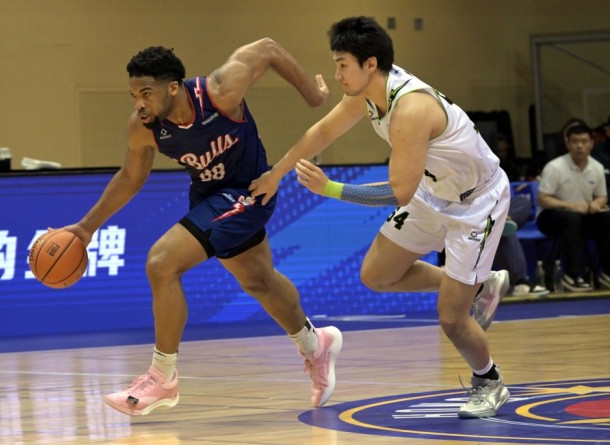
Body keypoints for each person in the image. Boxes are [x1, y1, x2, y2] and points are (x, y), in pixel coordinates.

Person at [62, 39, 343, 416]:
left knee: (161, 262)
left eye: (146, 93)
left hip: (251, 192)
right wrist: (86, 228)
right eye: (133, 95)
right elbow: (130, 177)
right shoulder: (144, 128)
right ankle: (316, 345)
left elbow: (267, 49)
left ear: (172, 88)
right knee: (258, 280)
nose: (139, 104)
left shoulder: (219, 92)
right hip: (209, 197)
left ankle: (162, 378)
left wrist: (314, 95)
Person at [249, 16, 511, 419]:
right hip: (433, 191)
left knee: (452, 318)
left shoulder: (411, 108)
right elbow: (321, 133)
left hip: (476, 204)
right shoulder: (369, 93)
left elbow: (399, 192)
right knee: (377, 274)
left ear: (370, 64)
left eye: (342, 65)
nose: (336, 74)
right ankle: (479, 284)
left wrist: (331, 189)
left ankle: (489, 381)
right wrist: (275, 174)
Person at [537, 121, 610, 291]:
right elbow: (543, 199)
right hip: (551, 218)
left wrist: (596, 203)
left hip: (582, 218)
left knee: (607, 217)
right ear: (567, 144)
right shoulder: (554, 167)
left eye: (584, 141)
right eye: (575, 141)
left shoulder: (597, 167)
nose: (580, 146)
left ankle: (607, 273)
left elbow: (602, 197)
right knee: (572, 218)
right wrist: (572, 206)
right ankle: (573, 275)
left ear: (591, 143)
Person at [493, 135, 549, 297]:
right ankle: (521, 281)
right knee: (506, 231)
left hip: (501, 213)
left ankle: (504, 221)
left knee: (523, 202)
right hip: (481, 217)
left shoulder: (498, 169)